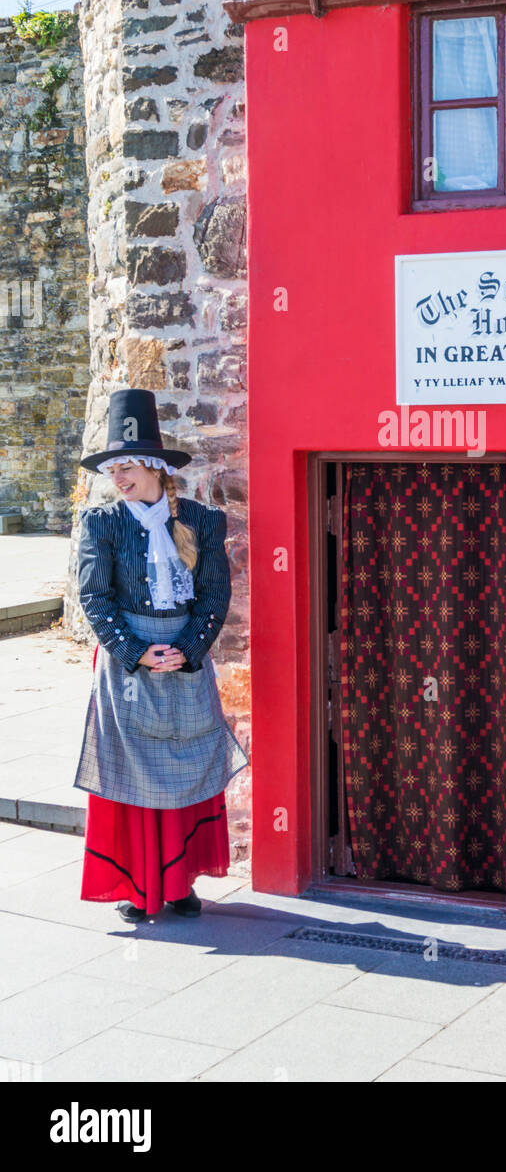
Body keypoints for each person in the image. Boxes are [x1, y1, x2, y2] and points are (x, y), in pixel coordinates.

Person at [73, 388, 249, 922]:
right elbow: (94, 598)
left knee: (188, 762)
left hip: (184, 661)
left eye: (126, 467)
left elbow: (215, 594)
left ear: (152, 466)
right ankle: (137, 884)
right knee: (131, 775)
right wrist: (137, 653)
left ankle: (178, 883)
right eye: (112, 470)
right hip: (128, 664)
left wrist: (189, 649)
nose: (118, 478)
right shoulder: (102, 524)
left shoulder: (200, 519)